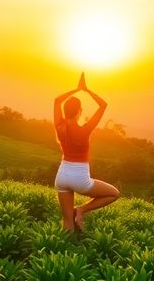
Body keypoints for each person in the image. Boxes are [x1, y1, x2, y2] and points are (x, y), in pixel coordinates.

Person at [52, 72, 120, 232]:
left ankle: (63, 251)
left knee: (67, 223)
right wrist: (86, 90)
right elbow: (103, 105)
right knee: (114, 193)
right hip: (80, 178)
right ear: (79, 111)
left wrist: (75, 89)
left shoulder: (59, 125)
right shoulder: (84, 130)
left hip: (61, 176)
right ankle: (81, 210)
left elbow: (57, 100)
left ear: (65, 110)